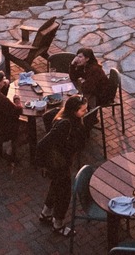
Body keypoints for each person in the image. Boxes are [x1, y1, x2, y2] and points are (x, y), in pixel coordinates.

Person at [38, 95, 89, 237]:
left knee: (55, 186)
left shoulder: (69, 118)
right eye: (83, 110)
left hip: (59, 163)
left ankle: (46, 213)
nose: (86, 111)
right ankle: (57, 224)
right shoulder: (65, 124)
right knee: (64, 194)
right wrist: (41, 164)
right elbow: (43, 144)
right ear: (74, 111)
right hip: (58, 164)